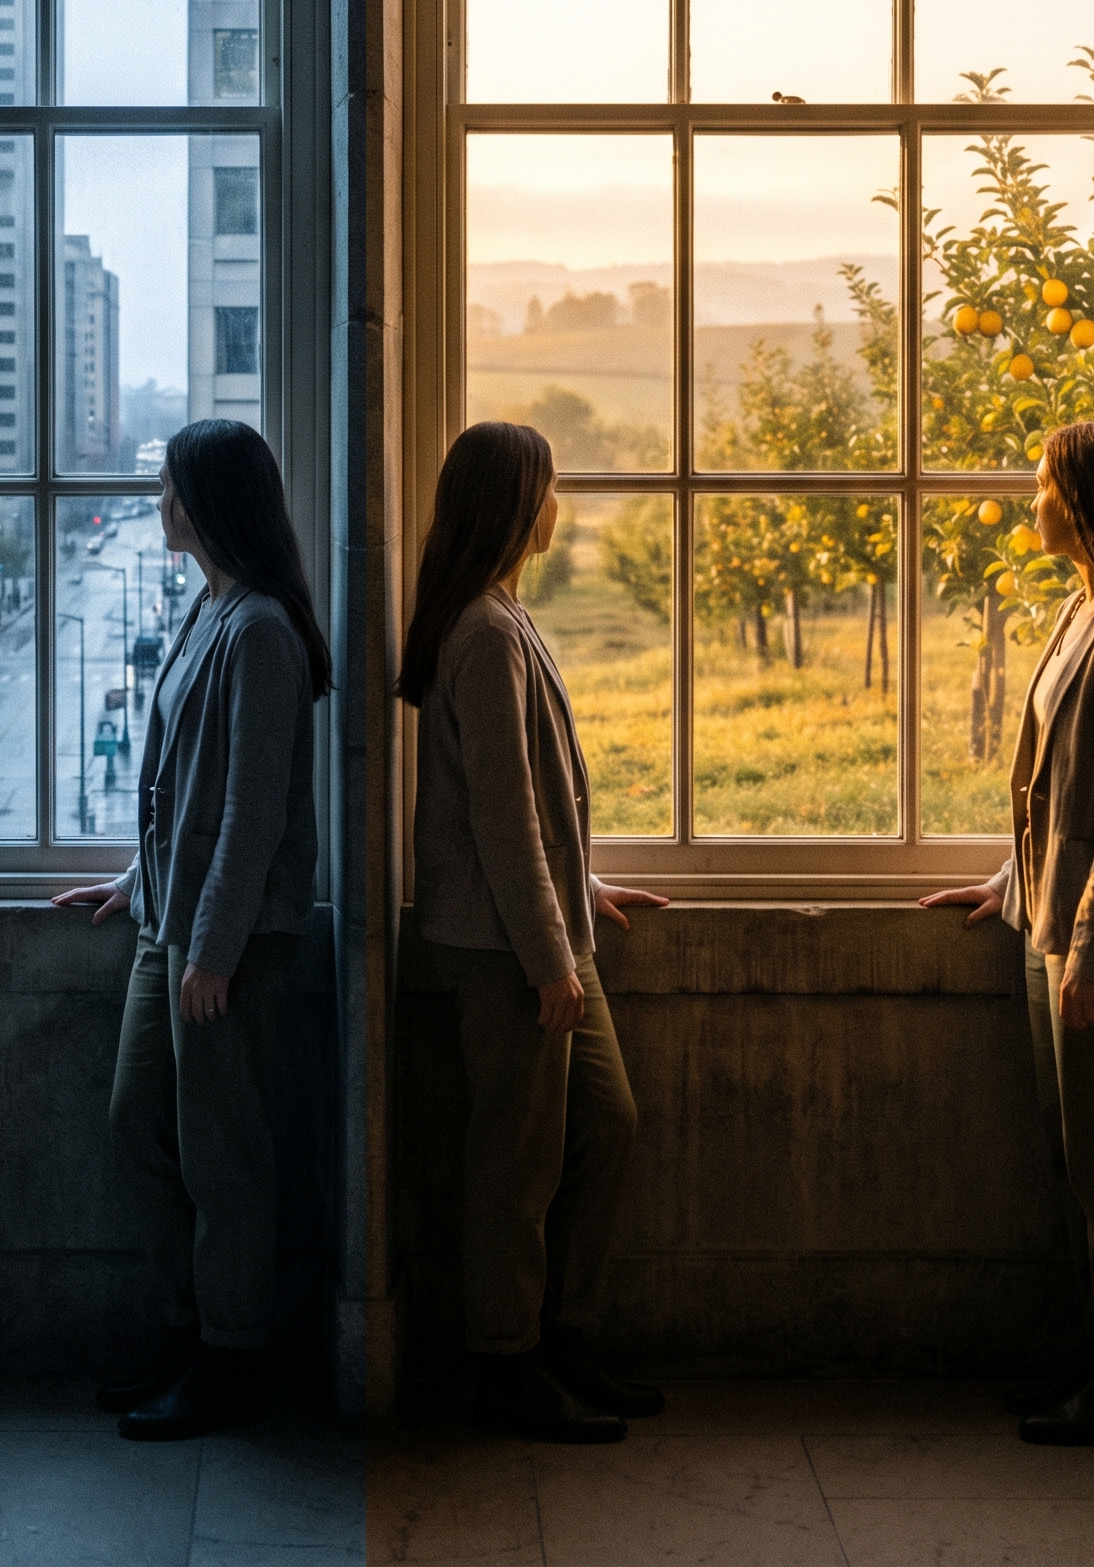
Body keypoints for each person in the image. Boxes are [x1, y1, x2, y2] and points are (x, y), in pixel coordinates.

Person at [922, 420, 1094, 1446]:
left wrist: (1088, 956)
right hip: (1056, 930)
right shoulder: (1083, 610)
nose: (1030, 499)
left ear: (1086, 501)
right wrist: (1005, 884)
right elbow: (1057, 794)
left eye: (1042, 485)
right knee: (1077, 1153)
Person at [55, 419, 330, 1442]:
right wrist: (136, 880)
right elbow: (185, 788)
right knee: (141, 1123)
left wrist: (211, 950)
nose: (158, 504)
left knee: (225, 1157)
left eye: (170, 489)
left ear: (212, 503)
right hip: (167, 924)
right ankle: (187, 1333)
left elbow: (255, 810)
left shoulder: (259, 628)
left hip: (226, 942)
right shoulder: (209, 605)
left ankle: (229, 1360)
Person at [399, 419, 668, 1443]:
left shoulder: (502, 616)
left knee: (605, 1125)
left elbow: (530, 813)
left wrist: (579, 888)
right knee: (514, 1162)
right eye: (549, 487)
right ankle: (506, 1364)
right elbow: (501, 820)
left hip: (544, 934)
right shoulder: (480, 631)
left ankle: (564, 1333)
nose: (561, 504)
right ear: (516, 503)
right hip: (506, 953)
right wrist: (548, 954)